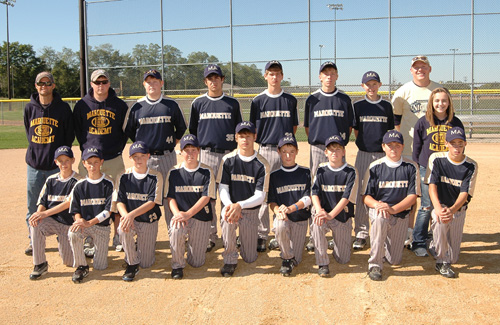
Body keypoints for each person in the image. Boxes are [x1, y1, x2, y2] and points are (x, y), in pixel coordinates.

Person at [189, 64, 243, 252]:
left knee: (229, 195)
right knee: (209, 197)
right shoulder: (198, 103)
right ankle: (210, 235)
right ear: (206, 81)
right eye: (210, 78)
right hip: (206, 154)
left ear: (222, 80)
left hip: (229, 155)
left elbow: (238, 131)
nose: (214, 81)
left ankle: (230, 233)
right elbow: (193, 131)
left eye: (217, 77)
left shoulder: (232, 103)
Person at [73, 69, 129, 252]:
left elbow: (125, 131)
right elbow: (78, 131)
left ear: (109, 83)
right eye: (97, 82)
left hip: (113, 158)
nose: (101, 85)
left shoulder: (119, 105)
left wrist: (115, 148)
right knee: (88, 198)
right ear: (91, 84)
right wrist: (88, 149)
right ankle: (89, 236)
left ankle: (118, 235)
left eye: (104, 82)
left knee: (116, 197)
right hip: (89, 160)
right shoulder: (82, 105)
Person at [303, 61, 354, 252]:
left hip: (338, 150)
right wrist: (319, 143)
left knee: (339, 187)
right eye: (326, 73)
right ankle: (315, 230)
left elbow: (349, 127)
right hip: (318, 148)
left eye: (333, 73)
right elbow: (308, 127)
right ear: (320, 77)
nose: (329, 77)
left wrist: (338, 146)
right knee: (316, 188)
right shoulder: (312, 99)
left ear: (337, 76)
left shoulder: (344, 99)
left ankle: (339, 229)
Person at [249, 60, 299, 252]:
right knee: (263, 193)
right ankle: (262, 234)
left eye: (278, 73)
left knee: (284, 191)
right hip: (265, 149)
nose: (274, 77)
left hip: (285, 150)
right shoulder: (257, 101)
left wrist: (286, 146)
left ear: (282, 76)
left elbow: (293, 127)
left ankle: (282, 230)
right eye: (271, 73)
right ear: (265, 76)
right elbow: (254, 129)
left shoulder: (290, 100)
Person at [23, 71, 75, 255]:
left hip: (57, 167)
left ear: (53, 85)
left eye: (47, 83)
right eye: (40, 83)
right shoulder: (29, 108)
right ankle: (33, 240)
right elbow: (29, 133)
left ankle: (65, 237)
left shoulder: (63, 109)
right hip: (35, 166)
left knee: (62, 205)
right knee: (33, 205)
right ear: (36, 86)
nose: (43, 86)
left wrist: (61, 159)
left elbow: (69, 136)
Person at [411, 88, 464, 257]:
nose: (440, 104)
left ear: (449, 103)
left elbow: (460, 146)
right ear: (431, 103)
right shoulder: (423, 122)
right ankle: (418, 240)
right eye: (437, 101)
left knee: (441, 205)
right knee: (426, 205)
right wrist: (419, 169)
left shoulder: (455, 122)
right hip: (428, 168)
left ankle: (436, 240)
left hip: (447, 171)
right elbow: (416, 148)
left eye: (444, 100)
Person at [362, 130, 420, 281]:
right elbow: (366, 197)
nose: (393, 148)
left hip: (400, 213)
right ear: (383, 147)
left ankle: (384, 241)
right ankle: (374, 264)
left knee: (394, 260)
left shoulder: (411, 167)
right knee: (381, 218)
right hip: (381, 211)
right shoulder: (375, 167)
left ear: (403, 147)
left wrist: (393, 209)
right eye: (389, 145)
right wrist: (378, 205)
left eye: (397, 145)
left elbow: (412, 197)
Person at [218, 121, 270, 277]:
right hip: (230, 209)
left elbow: (260, 196)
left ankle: (245, 244)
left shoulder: (262, 164)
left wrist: (240, 205)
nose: (245, 140)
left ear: (255, 137)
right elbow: (223, 188)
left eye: (248, 136)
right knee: (227, 220)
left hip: (249, 211)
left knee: (250, 258)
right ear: (236, 138)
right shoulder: (227, 159)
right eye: (241, 136)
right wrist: (230, 206)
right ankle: (230, 258)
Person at [426, 127, 478, 278]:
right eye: (453, 143)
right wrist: (437, 208)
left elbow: (465, 193)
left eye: (460, 143)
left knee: (454, 257)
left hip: (458, 210)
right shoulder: (437, 159)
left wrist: (453, 210)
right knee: (440, 218)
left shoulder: (471, 165)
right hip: (441, 206)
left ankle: (432, 241)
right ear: (446, 143)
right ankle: (441, 262)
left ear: (465, 144)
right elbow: (432, 185)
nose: (457, 147)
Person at [352, 71, 394, 251]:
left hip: (382, 155)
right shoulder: (358, 105)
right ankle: (361, 232)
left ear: (380, 85)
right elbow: (356, 132)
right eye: (368, 84)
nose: (371, 87)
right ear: (363, 86)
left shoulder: (386, 106)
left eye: (374, 83)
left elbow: (390, 131)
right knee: (362, 192)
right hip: (364, 154)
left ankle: (381, 230)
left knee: (383, 192)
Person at [166, 135, 216, 280]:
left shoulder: (207, 171)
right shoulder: (174, 172)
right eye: (186, 150)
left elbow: (206, 197)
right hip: (181, 216)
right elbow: (170, 197)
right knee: (176, 228)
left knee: (197, 263)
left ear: (199, 151)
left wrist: (188, 214)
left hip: (200, 216)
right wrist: (177, 214)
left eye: (193, 150)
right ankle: (177, 265)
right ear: (181, 152)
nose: (190, 154)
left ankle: (191, 246)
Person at [28, 146, 82, 280]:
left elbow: (68, 203)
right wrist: (38, 215)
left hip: (69, 226)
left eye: (67, 160)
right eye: (60, 161)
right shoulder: (51, 180)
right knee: (35, 224)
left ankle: (73, 247)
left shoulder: (78, 180)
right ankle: (40, 264)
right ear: (56, 162)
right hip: (53, 222)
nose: (64, 164)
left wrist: (44, 214)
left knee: (69, 262)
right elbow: (42, 202)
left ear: (73, 160)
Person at [124, 69, 187, 183]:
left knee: (168, 192)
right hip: (144, 157)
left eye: (155, 81)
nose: (151, 85)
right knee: (145, 190)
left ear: (161, 83)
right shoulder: (137, 106)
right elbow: (129, 130)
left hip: (167, 156)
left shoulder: (172, 104)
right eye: (148, 82)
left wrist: (172, 142)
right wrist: (141, 144)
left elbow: (181, 127)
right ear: (144, 84)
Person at [114, 141, 163, 282]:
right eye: (135, 157)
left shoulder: (155, 176)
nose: (139, 159)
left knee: (147, 263)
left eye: (142, 156)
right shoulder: (123, 176)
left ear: (148, 156)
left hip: (148, 219)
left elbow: (152, 202)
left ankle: (137, 248)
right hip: (130, 218)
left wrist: (131, 215)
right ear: (130, 158)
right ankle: (131, 263)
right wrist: (126, 217)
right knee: (123, 229)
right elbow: (119, 201)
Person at [310, 135, 358, 277]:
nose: (334, 152)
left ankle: (336, 244)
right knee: (317, 220)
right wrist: (319, 211)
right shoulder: (321, 169)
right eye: (331, 149)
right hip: (324, 214)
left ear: (344, 151)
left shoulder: (351, 171)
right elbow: (314, 192)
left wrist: (331, 215)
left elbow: (346, 198)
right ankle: (323, 262)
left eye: (338, 149)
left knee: (343, 259)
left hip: (341, 216)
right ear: (325, 152)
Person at [68, 147, 115, 283]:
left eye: (96, 162)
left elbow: (108, 211)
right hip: (85, 226)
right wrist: (79, 221)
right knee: (73, 232)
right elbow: (75, 209)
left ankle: (93, 249)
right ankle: (82, 266)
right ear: (84, 163)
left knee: (101, 266)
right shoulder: (79, 185)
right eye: (89, 162)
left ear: (101, 162)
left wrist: (89, 222)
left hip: (101, 227)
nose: (92, 165)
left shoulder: (108, 183)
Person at [267, 136, 311, 276]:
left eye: (291, 151)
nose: (288, 155)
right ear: (278, 152)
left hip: (300, 218)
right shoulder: (274, 175)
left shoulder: (305, 172)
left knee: (297, 259)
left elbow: (308, 198)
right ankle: (286, 258)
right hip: (284, 218)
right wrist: (278, 210)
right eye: (284, 151)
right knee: (279, 225)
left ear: (297, 151)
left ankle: (288, 251)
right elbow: (272, 201)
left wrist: (291, 208)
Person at [392, 56, 440, 158]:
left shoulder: (439, 90)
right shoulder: (402, 92)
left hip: (436, 148)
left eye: (424, 66)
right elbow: (396, 121)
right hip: (410, 149)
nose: (420, 70)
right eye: (416, 67)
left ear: (430, 69)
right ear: (411, 70)